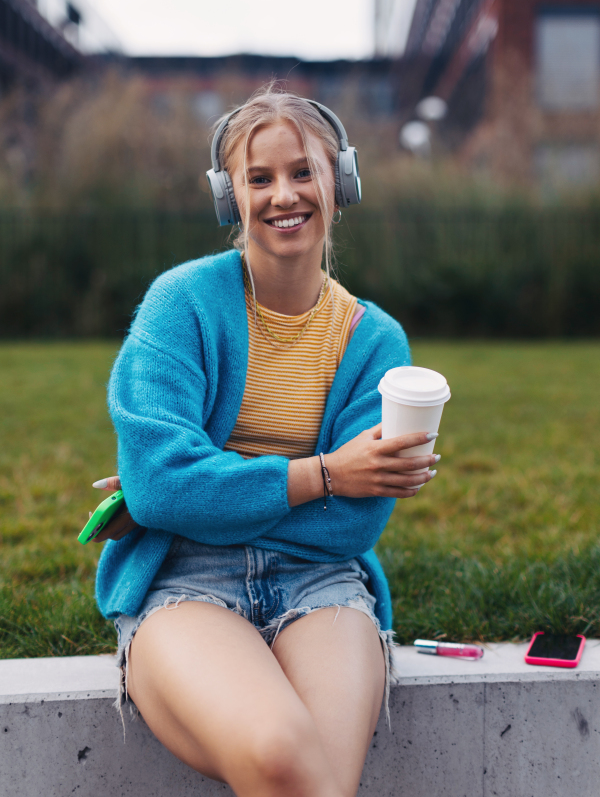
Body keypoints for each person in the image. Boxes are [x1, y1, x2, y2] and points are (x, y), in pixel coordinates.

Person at [92, 87, 440, 797]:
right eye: (259, 178)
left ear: (338, 182)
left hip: (323, 581)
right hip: (186, 579)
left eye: (303, 172)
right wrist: (325, 473)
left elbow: (356, 520)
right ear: (231, 197)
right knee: (285, 756)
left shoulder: (376, 341)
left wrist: (209, 487)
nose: (285, 194)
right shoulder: (179, 304)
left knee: (316, 778)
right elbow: (161, 484)